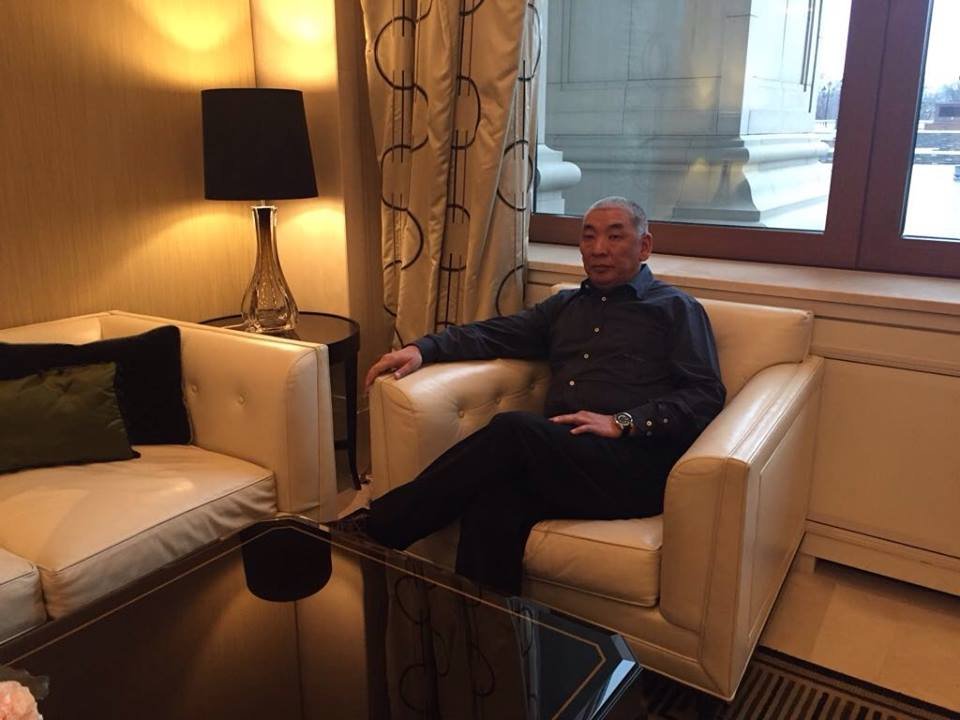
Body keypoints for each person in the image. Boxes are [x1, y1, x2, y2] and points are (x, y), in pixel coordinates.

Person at [360, 197, 725, 595]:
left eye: (615, 236)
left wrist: (623, 422)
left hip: (632, 465)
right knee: (493, 504)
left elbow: (704, 395)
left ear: (645, 246)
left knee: (512, 429)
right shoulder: (565, 306)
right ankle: (480, 625)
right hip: (561, 455)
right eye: (589, 237)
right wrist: (423, 349)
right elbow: (493, 334)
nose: (598, 249)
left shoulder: (675, 309)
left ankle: (376, 530)